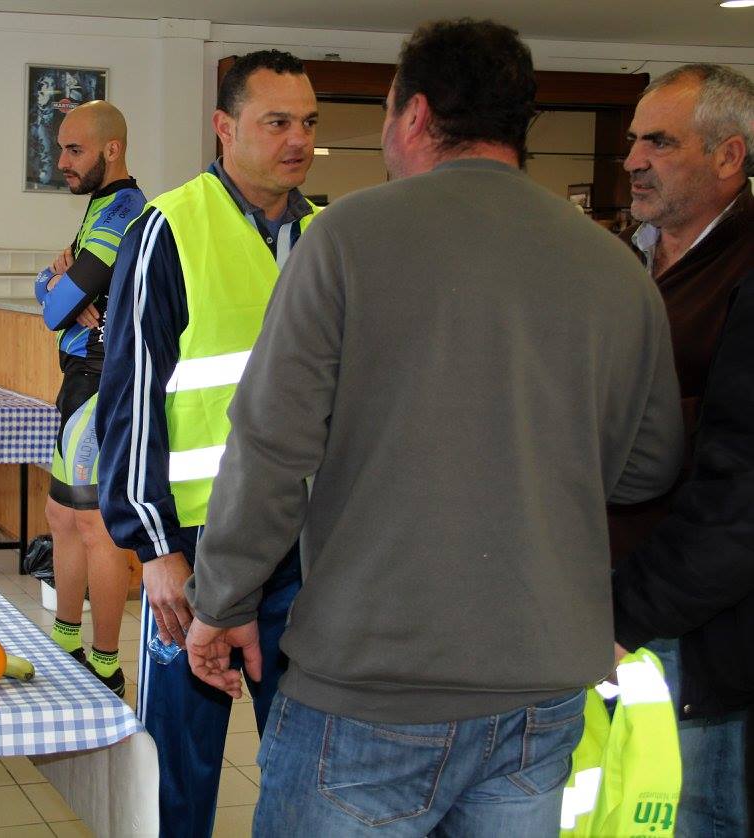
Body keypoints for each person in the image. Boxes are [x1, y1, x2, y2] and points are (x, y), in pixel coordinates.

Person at [181, 20, 685, 836]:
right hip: (541, 689)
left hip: (374, 683)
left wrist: (221, 600)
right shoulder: (615, 266)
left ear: (413, 114)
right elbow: (648, 466)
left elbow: (271, 450)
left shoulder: (345, 238)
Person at [96, 50, 319, 837]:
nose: (299, 140)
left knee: (305, 760)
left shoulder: (327, 236)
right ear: (225, 127)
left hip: (306, 549)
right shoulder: (168, 230)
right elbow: (129, 401)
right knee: (178, 770)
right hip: (194, 547)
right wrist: (156, 550)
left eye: (308, 122)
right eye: (277, 121)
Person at [608, 63, 754, 837]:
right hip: (608, 621)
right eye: (634, 141)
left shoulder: (744, 272)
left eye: (659, 142)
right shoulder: (616, 262)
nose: (633, 160)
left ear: (729, 156)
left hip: (694, 648)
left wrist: (626, 615)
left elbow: (740, 499)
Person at [34, 100, 146, 695]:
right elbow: (52, 292)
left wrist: (58, 285)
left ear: (112, 149)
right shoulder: (101, 204)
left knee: (95, 524)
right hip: (79, 378)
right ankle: (65, 640)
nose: (62, 162)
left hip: (102, 381)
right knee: (61, 515)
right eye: (61, 149)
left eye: (74, 150)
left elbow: (55, 307)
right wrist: (56, 284)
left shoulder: (122, 210)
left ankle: (105, 664)